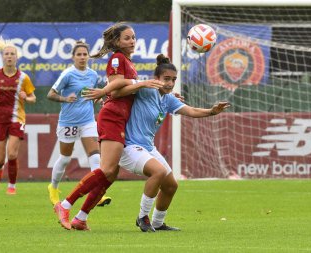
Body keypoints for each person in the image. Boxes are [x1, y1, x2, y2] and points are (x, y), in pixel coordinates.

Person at [53, 22, 163, 231]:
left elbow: (120, 89)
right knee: (107, 170)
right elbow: (116, 91)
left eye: (133, 37)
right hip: (112, 116)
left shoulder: (127, 61)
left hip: (120, 118)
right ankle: (64, 205)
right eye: (127, 38)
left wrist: (149, 89)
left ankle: (81, 218)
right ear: (116, 42)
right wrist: (134, 85)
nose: (132, 41)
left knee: (111, 174)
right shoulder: (117, 58)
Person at [102, 54, 229, 232]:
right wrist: (104, 94)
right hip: (129, 146)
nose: (170, 83)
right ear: (157, 79)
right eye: (166, 79)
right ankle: (142, 217)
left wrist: (212, 111)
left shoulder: (168, 99)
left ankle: (158, 223)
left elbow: (191, 111)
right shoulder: (146, 90)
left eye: (173, 80)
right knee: (158, 172)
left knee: (171, 186)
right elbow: (119, 90)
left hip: (147, 147)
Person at [46, 41, 111, 207]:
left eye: (85, 54)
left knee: (96, 156)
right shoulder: (68, 74)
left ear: (88, 56)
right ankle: (53, 188)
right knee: (65, 158)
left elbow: (91, 93)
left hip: (87, 121)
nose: (82, 57)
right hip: (68, 122)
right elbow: (50, 94)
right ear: (73, 57)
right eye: (79, 54)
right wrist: (64, 98)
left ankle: (98, 192)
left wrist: (98, 98)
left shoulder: (93, 75)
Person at [0, 35, 36, 195]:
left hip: (17, 118)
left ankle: (12, 186)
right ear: (2, 57)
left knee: (12, 153)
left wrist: (26, 98)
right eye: (6, 54)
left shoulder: (23, 77)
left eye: (12, 54)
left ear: (17, 57)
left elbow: (33, 98)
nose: (9, 56)